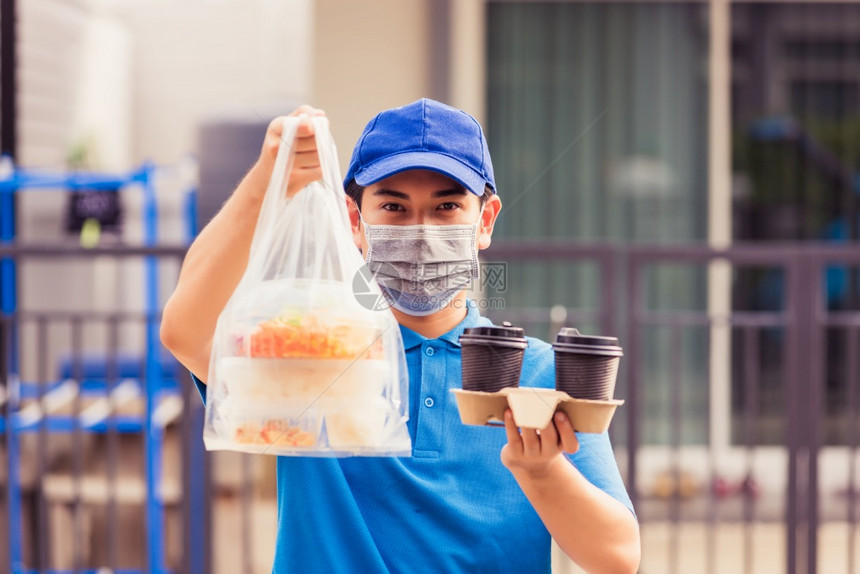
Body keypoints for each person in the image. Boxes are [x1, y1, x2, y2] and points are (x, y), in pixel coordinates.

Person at [161, 98, 640, 573]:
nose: (421, 232)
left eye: (447, 206)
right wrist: (269, 181)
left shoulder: (537, 375)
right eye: (393, 206)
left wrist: (541, 470)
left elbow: (617, 557)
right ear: (355, 221)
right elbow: (185, 331)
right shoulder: (309, 354)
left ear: (485, 221)